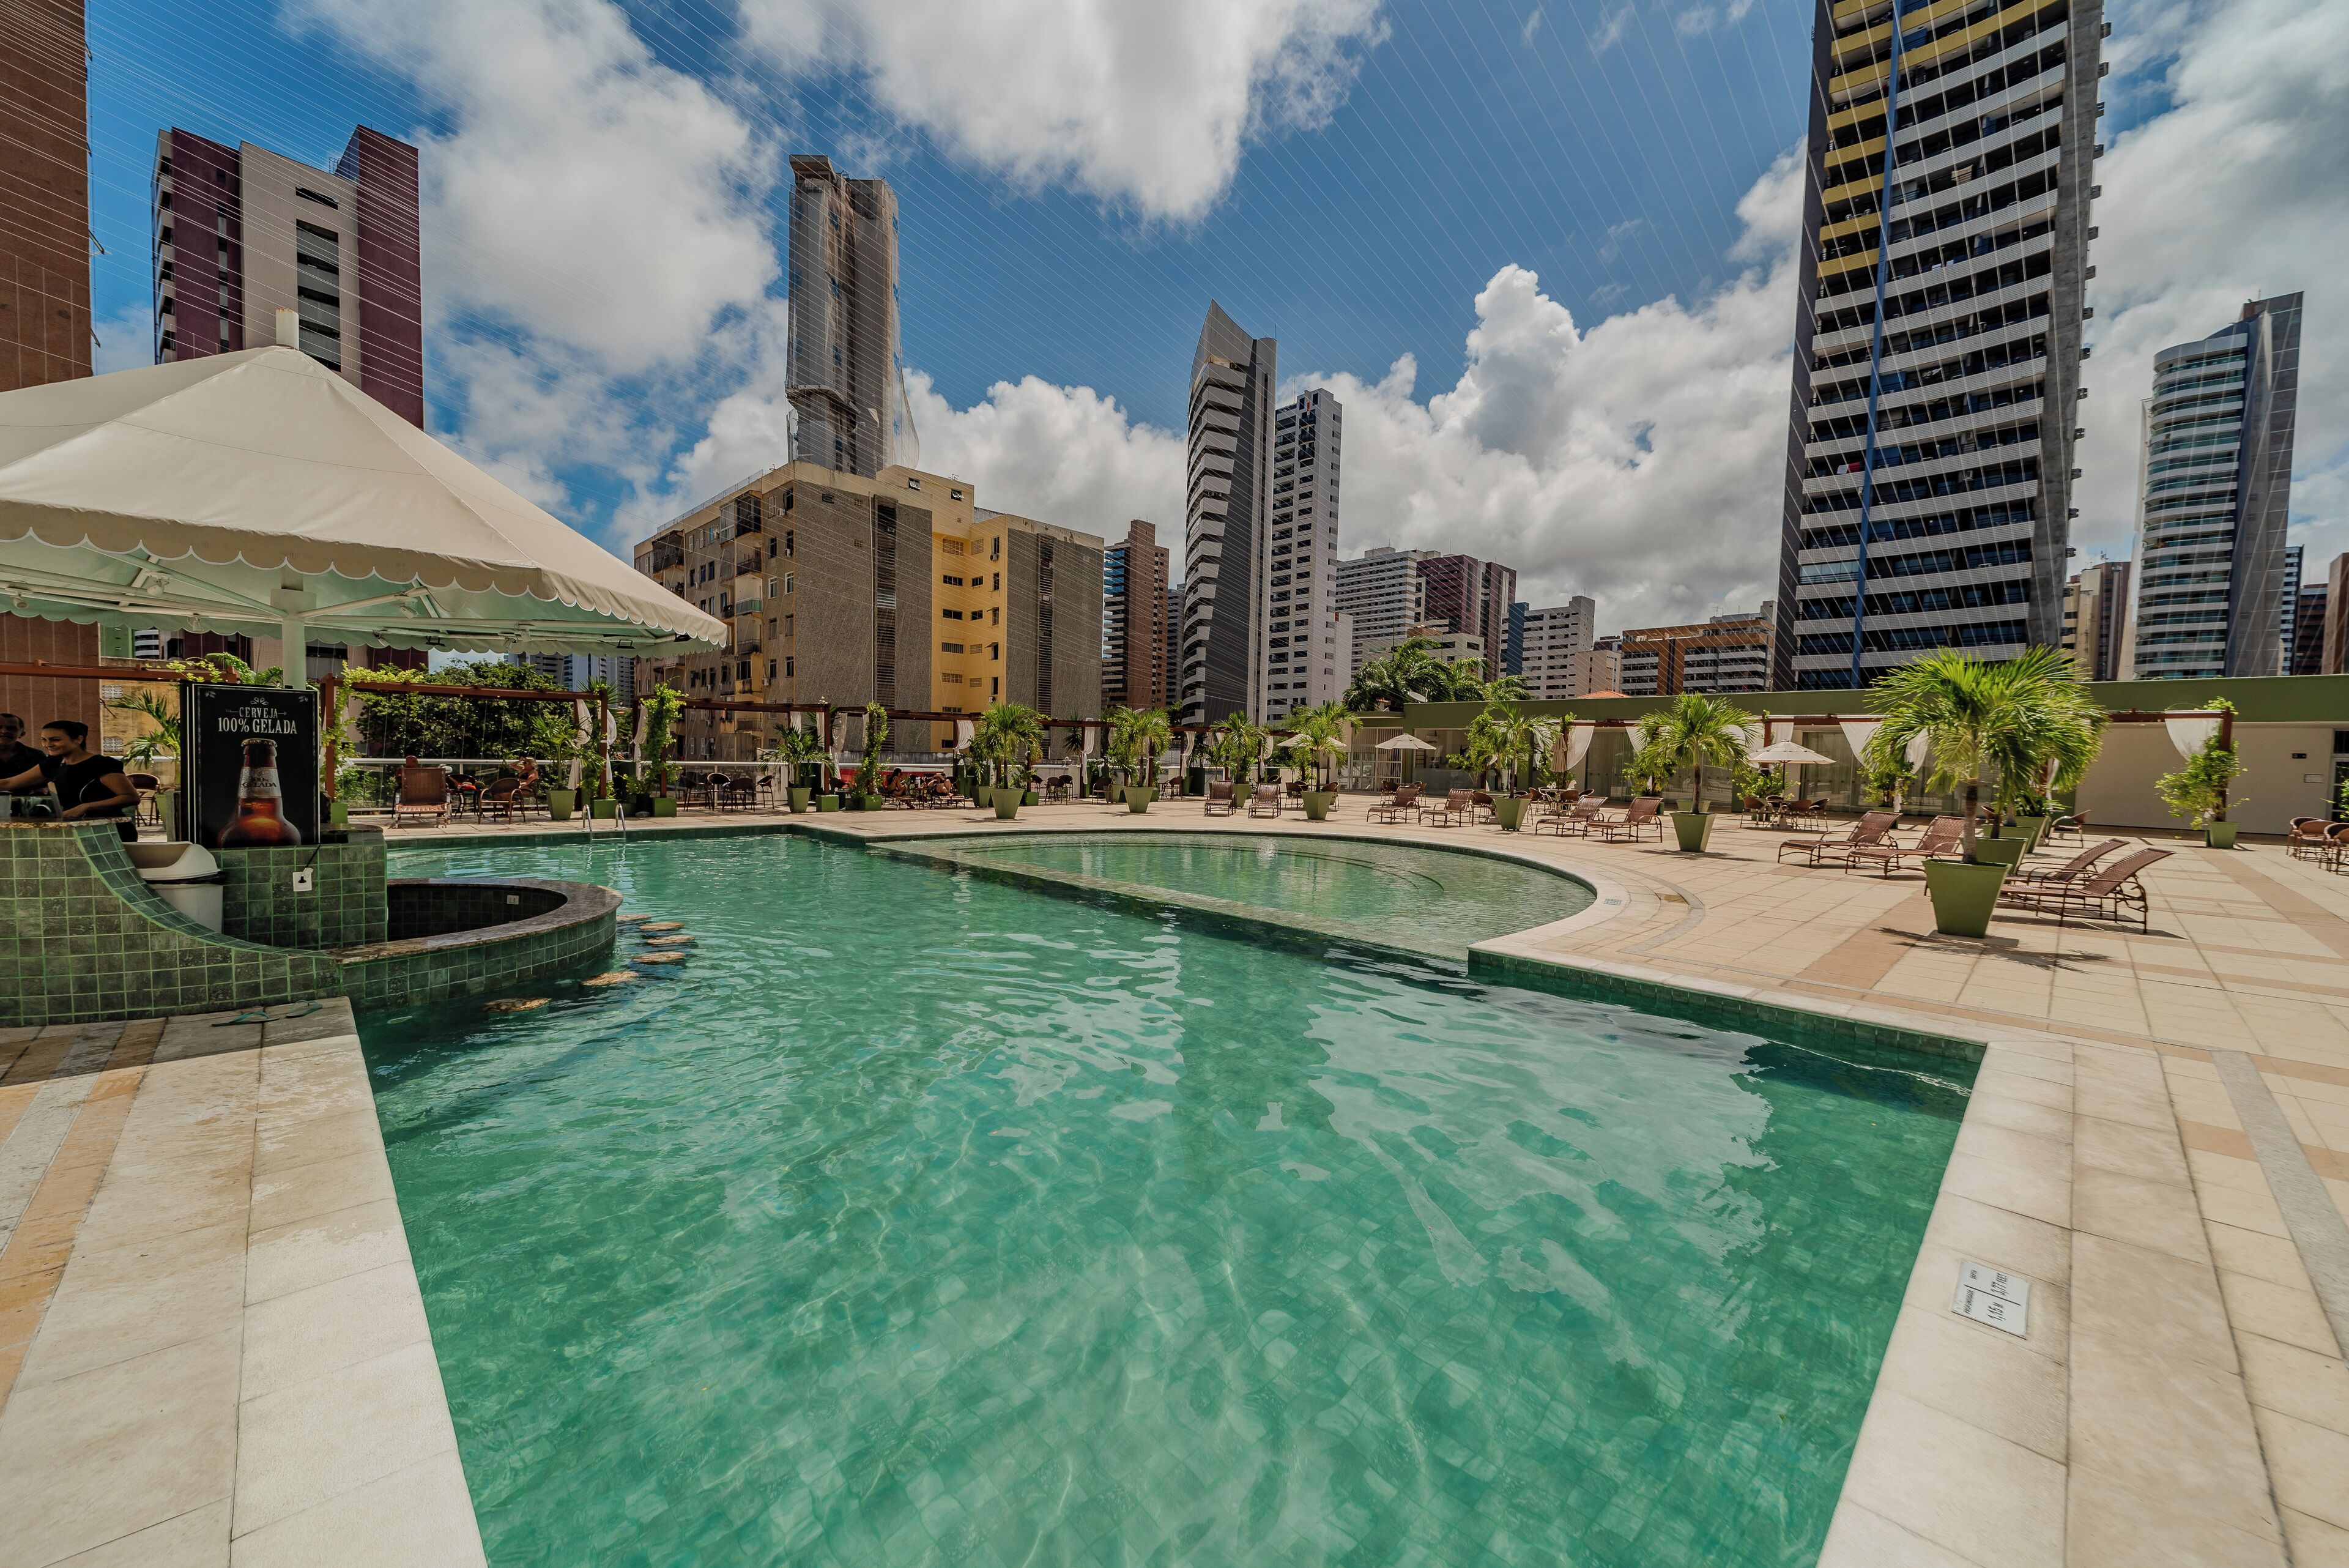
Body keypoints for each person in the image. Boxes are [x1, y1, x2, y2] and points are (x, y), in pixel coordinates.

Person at [0, 719, 139, 841]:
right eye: (44, 740)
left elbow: (130, 797)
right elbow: (9, 783)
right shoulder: (53, 764)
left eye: (56, 739)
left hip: (110, 832)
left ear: (78, 740)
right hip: (74, 831)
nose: (48, 745)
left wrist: (86, 806)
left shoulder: (102, 764)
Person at [0, 714, 42, 793]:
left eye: (11, 729)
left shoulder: (36, 756)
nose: (4, 731)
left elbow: (49, 783)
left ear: (22, 734)